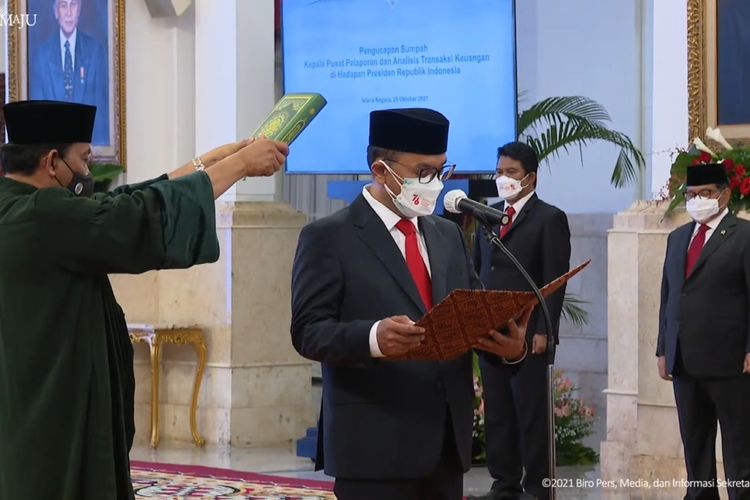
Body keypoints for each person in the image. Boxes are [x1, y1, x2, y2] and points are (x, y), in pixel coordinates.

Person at [0, 100, 289, 500]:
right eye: (83, 160)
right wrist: (240, 166)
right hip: (54, 414)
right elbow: (135, 217)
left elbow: (115, 206)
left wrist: (206, 163)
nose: (87, 172)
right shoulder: (42, 214)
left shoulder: (14, 206)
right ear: (52, 162)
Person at [291, 108, 531, 500]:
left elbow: (468, 317)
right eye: (423, 172)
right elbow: (307, 331)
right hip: (373, 445)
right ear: (381, 170)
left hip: (445, 449)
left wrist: (509, 350)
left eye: (440, 171)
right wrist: (372, 338)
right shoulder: (329, 237)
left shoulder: (447, 235)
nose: (434, 184)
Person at [471, 142, 571, 500]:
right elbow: (478, 272)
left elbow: (554, 281)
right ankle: (505, 485)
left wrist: (545, 330)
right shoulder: (488, 217)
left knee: (531, 416)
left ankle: (538, 489)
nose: (503, 179)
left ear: (530, 177)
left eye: (511, 173)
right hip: (490, 332)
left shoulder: (549, 218)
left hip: (528, 334)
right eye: (499, 172)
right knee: (497, 414)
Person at [656, 162, 750, 500]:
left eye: (705, 194)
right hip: (684, 359)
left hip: (730, 363)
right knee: (696, 449)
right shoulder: (678, 238)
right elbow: (668, 296)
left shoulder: (743, 235)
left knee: (740, 452)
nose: (697, 200)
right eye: (692, 194)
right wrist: (662, 349)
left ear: (724, 195)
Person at [30, 0, 109, 144]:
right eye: (63, 5)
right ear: (55, 12)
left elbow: (101, 114)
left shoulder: (95, 51)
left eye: (73, 5)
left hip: (87, 150)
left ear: (79, 10)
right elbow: (37, 117)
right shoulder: (41, 56)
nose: (68, 13)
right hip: (51, 149)